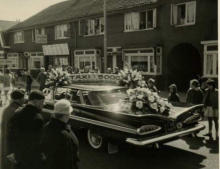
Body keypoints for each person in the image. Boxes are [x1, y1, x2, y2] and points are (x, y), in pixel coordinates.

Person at [7, 90, 45, 169]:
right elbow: (38, 141)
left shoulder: (17, 113)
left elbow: (10, 134)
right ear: (35, 101)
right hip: (30, 158)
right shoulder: (38, 118)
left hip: (17, 155)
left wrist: (11, 152)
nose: (43, 104)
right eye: (41, 102)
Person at [41, 99, 79, 169]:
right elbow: (67, 159)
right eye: (69, 113)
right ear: (65, 115)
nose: (69, 116)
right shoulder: (64, 134)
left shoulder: (46, 127)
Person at [1, 90, 25, 169]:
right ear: (18, 99)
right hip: (12, 144)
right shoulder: (17, 111)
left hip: (4, 141)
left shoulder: (6, 109)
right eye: (23, 98)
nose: (24, 100)